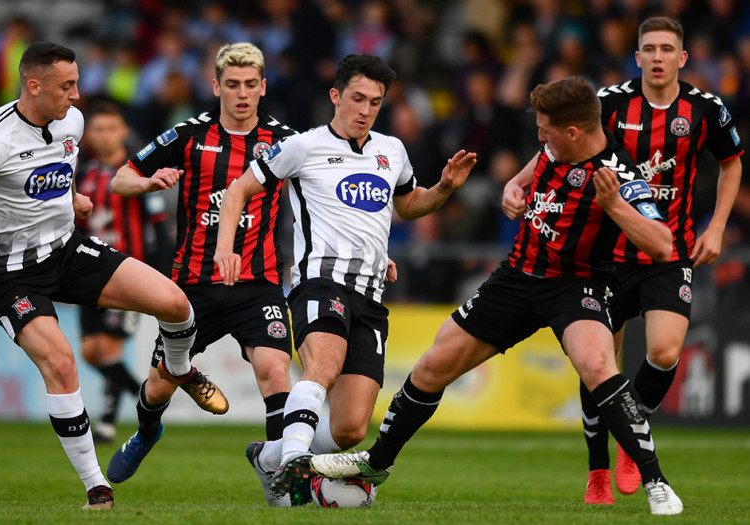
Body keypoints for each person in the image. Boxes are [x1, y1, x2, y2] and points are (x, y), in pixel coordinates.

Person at [310, 76, 686, 516]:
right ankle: (376, 464)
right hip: (515, 278)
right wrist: (512, 187)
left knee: (598, 365)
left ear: (574, 133)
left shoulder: (618, 175)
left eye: (545, 131)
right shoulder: (552, 148)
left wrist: (616, 207)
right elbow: (524, 175)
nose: (539, 137)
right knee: (433, 366)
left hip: (574, 285)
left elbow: (662, 245)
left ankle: (655, 481)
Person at [0, 42, 200, 510]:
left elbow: (52, 181)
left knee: (174, 303)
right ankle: (97, 487)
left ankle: (180, 369)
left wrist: (71, 203)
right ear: (34, 86)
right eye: (67, 86)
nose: (77, 95)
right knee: (63, 364)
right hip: (10, 276)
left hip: (65, 250)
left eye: (77, 83)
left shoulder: (72, 121)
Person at [215, 53, 477, 503]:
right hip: (319, 281)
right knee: (324, 365)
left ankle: (271, 456)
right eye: (357, 98)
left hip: (371, 293)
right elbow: (240, 188)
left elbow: (407, 206)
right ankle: (295, 469)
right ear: (336, 96)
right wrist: (226, 247)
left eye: (375, 102)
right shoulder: (303, 145)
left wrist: (445, 188)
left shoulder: (391, 150)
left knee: (351, 428)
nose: (365, 109)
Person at [104, 42, 298, 506]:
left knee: (275, 370)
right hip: (192, 287)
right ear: (216, 87)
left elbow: (321, 196)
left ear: (264, 87)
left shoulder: (288, 141)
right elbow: (120, 178)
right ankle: (147, 432)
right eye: (232, 85)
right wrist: (148, 182)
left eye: (251, 85)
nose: (242, 94)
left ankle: (276, 477)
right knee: (156, 386)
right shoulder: (188, 135)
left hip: (258, 282)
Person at [580, 16, 744, 504]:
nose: (657, 57)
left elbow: (733, 164)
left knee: (667, 351)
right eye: (648, 48)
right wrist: (521, 184)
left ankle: (636, 435)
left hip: (669, 252)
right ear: (637, 57)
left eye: (666, 49)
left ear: (682, 58)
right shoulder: (608, 103)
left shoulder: (704, 108)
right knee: (597, 364)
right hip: (605, 255)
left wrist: (715, 226)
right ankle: (597, 471)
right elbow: (559, 144)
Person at [74, 100, 172, 444]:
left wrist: (162, 274)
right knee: (90, 352)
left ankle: (105, 424)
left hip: (124, 271)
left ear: (123, 132)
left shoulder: (134, 176)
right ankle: (144, 397)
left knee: (109, 349)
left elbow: (160, 226)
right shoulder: (81, 174)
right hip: (84, 272)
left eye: (111, 128)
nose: (104, 136)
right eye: (97, 129)